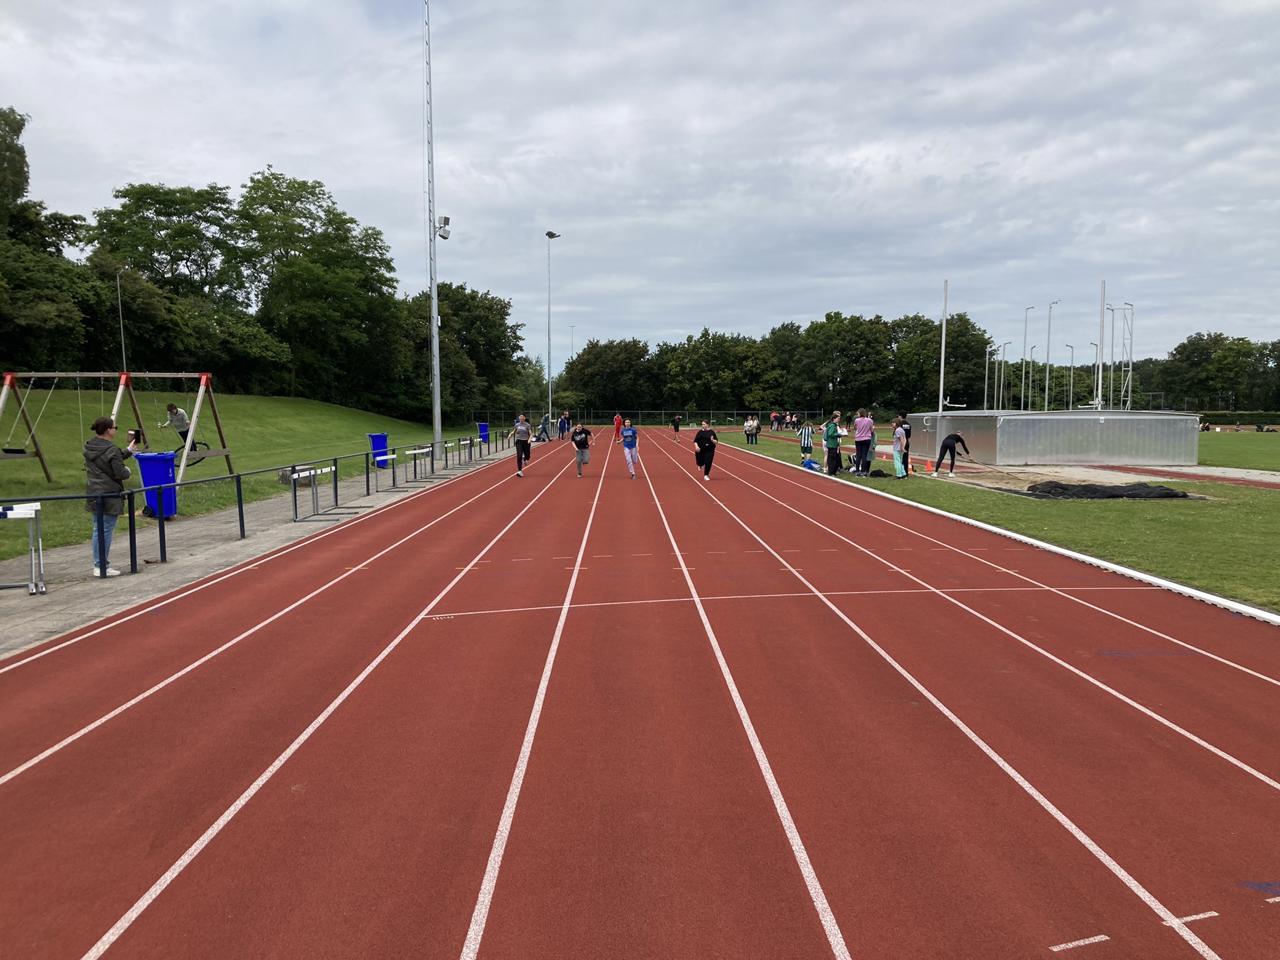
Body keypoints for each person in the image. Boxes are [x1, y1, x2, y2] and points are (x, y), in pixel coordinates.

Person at [84, 415, 137, 577]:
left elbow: (109, 457)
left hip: (93, 492)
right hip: (109, 493)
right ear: (108, 430)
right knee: (105, 530)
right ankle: (101, 566)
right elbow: (120, 472)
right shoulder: (111, 449)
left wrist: (128, 451)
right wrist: (127, 471)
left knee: (97, 529)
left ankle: (98, 564)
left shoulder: (89, 446)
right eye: (115, 427)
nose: (116, 430)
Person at [852, 408, 875, 476]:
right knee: (864, 455)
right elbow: (871, 430)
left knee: (858, 455)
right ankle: (863, 471)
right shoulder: (870, 420)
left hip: (858, 439)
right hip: (867, 438)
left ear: (860, 413)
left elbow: (855, 428)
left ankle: (857, 470)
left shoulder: (857, 420)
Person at [822, 411, 843, 476]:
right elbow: (831, 434)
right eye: (838, 418)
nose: (839, 420)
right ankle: (831, 472)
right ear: (834, 419)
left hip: (833, 444)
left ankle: (833, 471)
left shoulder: (833, 425)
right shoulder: (832, 425)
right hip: (832, 444)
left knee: (834, 458)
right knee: (832, 459)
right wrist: (838, 434)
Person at [898, 411, 913, 477]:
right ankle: (906, 472)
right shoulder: (909, 424)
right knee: (906, 457)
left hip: (900, 442)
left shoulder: (899, 424)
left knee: (899, 458)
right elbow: (909, 435)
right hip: (907, 441)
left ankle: (901, 472)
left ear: (900, 416)